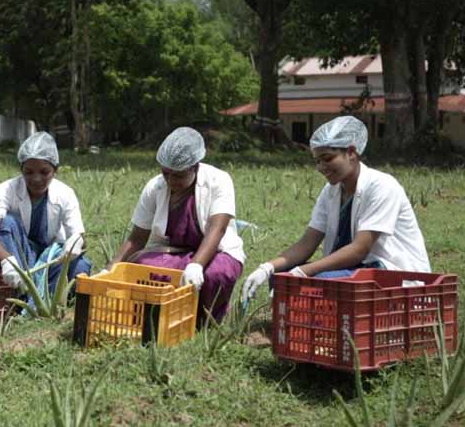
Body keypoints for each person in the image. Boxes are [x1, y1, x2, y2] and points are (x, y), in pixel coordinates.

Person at [241, 116, 430, 303]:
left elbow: (359, 249)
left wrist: (303, 271)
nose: (321, 167)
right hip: (355, 269)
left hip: (389, 273)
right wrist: (268, 268)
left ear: (352, 152)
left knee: (319, 283)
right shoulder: (331, 191)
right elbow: (307, 243)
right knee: (281, 277)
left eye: (327, 158)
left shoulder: (382, 186)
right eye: (317, 161)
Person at [106, 127, 245, 324]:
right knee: (142, 267)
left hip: (216, 252)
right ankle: (167, 313)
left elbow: (218, 228)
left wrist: (196, 265)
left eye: (178, 175)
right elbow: (136, 238)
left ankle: (206, 317)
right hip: (174, 254)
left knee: (216, 274)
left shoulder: (218, 181)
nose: (171, 181)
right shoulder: (154, 188)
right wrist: (110, 270)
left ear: (195, 166)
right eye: (166, 174)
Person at [0, 132, 92, 298]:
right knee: (8, 222)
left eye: (44, 172)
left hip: (49, 258)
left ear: (55, 170)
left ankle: (32, 293)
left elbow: (79, 236)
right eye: (29, 172)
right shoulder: (7, 189)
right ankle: (20, 291)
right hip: (16, 255)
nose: (36, 179)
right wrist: (6, 260)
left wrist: (75, 242)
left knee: (81, 268)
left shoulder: (65, 194)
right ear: (21, 170)